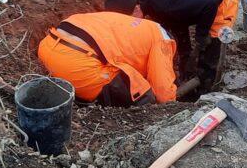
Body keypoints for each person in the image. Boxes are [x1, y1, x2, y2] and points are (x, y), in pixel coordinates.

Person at [105, 0, 238, 92]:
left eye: (129, 20)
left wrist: (201, 36)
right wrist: (185, 54)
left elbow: (211, 1)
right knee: (174, 24)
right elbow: (175, 20)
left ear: (136, 9)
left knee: (210, 51)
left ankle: (204, 90)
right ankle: (186, 67)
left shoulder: (165, 3)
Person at [37, 11, 177, 105]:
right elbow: (163, 92)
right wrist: (171, 107)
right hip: (77, 67)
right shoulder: (162, 39)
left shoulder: (134, 25)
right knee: (143, 92)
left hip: (47, 46)